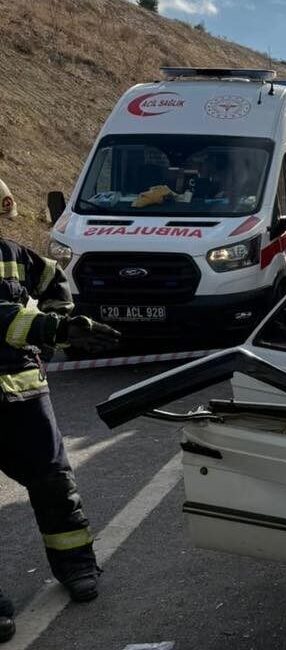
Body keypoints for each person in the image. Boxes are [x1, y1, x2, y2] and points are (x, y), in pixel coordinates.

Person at [0, 178, 122, 643]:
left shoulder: (12, 254)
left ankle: (77, 567)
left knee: (54, 483)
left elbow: (54, 278)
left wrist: (59, 325)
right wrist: (58, 330)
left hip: (24, 395)